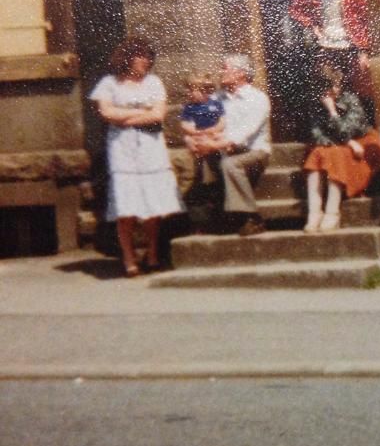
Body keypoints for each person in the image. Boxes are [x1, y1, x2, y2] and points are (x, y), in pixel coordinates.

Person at [89, 37, 183, 277]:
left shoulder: (154, 82)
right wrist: (141, 112)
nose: (145, 61)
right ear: (127, 58)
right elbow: (106, 112)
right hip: (123, 151)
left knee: (152, 206)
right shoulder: (109, 84)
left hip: (151, 148)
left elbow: (158, 115)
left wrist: (125, 117)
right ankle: (129, 258)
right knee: (127, 208)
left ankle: (151, 254)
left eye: (148, 57)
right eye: (140, 56)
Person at [187, 54, 271, 237]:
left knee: (229, 164)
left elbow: (247, 132)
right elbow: (205, 124)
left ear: (240, 73)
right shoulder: (217, 98)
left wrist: (220, 143)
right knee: (204, 161)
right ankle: (208, 217)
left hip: (254, 153)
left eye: (225, 68)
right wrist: (196, 140)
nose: (221, 71)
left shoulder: (258, 99)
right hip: (225, 149)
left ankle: (251, 217)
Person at [288, 0, 374, 125]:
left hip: (349, 45)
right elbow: (295, 9)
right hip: (326, 44)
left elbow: (364, 22)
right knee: (326, 84)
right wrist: (313, 25)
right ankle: (331, 123)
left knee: (351, 86)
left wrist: (364, 51)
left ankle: (354, 125)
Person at [302, 79, 380, 232]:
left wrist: (332, 111)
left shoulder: (351, 100)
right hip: (338, 143)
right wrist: (342, 142)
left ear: (339, 86)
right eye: (324, 87)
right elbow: (316, 134)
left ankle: (332, 212)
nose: (329, 91)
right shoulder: (316, 102)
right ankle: (315, 212)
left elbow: (348, 131)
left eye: (333, 86)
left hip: (361, 142)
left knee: (336, 155)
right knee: (316, 154)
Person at [179, 71, 225, 152]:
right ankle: (198, 153)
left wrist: (214, 130)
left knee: (222, 136)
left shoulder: (216, 104)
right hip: (197, 134)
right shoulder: (189, 107)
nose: (189, 93)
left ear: (205, 92)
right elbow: (184, 124)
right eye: (189, 90)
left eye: (192, 90)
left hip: (213, 133)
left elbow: (222, 121)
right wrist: (195, 132)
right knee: (188, 139)